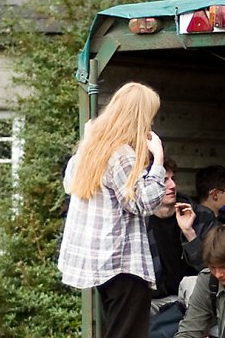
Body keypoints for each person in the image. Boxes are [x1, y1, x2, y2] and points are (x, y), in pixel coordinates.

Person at [60, 82, 168, 338]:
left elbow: (69, 184)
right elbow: (142, 203)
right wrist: (159, 159)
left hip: (102, 263)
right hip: (124, 262)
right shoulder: (122, 154)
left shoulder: (90, 149)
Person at [147, 156, 221, 338]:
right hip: (155, 300)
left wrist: (190, 234)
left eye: (173, 179)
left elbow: (215, 270)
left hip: (192, 297)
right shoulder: (137, 222)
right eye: (163, 180)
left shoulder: (201, 216)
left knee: (194, 283)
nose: (171, 185)